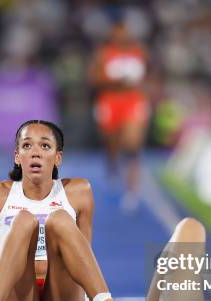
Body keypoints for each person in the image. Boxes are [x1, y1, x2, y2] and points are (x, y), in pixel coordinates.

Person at [0, 120, 135, 301]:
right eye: (27, 146)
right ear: (17, 156)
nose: (35, 153)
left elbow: (85, 258)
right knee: (24, 219)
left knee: (60, 219)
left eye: (44, 146)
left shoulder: (78, 192)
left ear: (57, 157)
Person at [89, 20, 151, 212]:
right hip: (110, 101)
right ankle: (113, 163)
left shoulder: (140, 52)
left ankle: (132, 191)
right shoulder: (104, 53)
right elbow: (94, 78)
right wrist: (114, 81)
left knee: (132, 144)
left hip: (133, 101)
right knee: (112, 142)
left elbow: (151, 75)